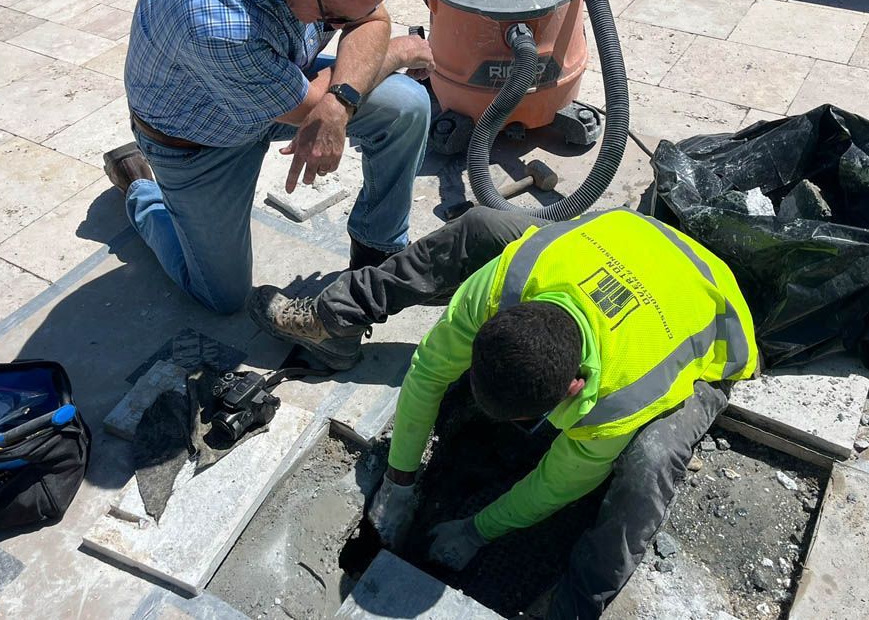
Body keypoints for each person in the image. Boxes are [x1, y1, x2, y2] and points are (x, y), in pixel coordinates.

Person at [251, 206, 759, 618]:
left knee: (651, 458)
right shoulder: (504, 285)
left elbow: (562, 479)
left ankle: (572, 607)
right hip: (626, 237)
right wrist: (399, 479)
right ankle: (333, 317)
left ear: (575, 385)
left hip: (712, 317)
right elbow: (429, 370)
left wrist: (479, 528)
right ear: (501, 320)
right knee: (477, 227)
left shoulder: (621, 398)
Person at [103, 0, 434, 318]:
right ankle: (140, 187)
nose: (338, 26)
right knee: (222, 298)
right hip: (198, 139)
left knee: (407, 107)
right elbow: (309, 108)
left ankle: (378, 251)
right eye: (332, 17)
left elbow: (369, 22)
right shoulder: (216, 18)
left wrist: (338, 100)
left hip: (280, 82)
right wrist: (399, 53)